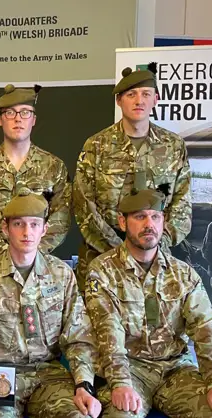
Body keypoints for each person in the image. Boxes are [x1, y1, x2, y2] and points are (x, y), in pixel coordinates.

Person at [84, 186, 212, 418]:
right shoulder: (102, 271)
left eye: (155, 217)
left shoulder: (183, 274)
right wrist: (120, 383)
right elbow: (107, 333)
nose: (150, 224)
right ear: (122, 222)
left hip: (175, 369)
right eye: (140, 217)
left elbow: (206, 329)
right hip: (130, 370)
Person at [0, 191, 101, 418]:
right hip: (0, 376)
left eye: (34, 225)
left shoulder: (61, 275)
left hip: (49, 376)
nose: (27, 232)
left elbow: (79, 338)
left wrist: (83, 385)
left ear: (44, 229)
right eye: (18, 224)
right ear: (5, 228)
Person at [73, 62, 192, 292]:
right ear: (119, 101)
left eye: (146, 94)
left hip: (156, 258)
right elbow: (83, 204)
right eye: (131, 94)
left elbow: (182, 203)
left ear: (155, 100)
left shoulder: (173, 146)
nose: (139, 101)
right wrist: (119, 250)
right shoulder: (96, 145)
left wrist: (154, 245)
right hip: (102, 259)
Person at [0, 84, 71, 257]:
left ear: (34, 119)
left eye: (25, 112)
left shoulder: (54, 167)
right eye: (10, 113)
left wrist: (31, 256)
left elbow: (60, 219)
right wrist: (8, 256)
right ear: (0, 120)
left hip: (41, 264)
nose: (18, 119)